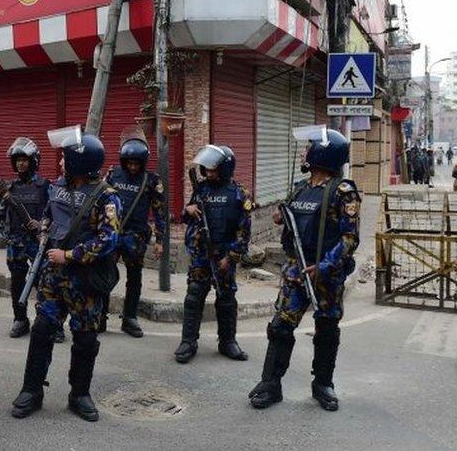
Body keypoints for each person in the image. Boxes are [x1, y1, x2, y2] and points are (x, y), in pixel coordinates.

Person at [11, 131, 121, 422]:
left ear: (79, 162)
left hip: (84, 281)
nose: (60, 162)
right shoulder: (58, 186)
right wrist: (45, 231)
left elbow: (108, 240)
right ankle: (31, 390)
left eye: (65, 157)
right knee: (42, 330)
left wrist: (69, 255)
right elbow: (49, 213)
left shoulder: (106, 198)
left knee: (85, 338)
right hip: (52, 278)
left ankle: (80, 394)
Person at [249, 128, 360, 412]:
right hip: (297, 269)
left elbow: (349, 240)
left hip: (326, 274)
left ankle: (323, 384)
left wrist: (323, 267)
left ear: (321, 153)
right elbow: (288, 219)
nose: (305, 152)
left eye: (309, 148)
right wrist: (279, 216)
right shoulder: (300, 188)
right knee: (280, 326)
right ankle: (270, 384)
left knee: (326, 328)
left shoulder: (343, 193)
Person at [174, 145, 251, 364]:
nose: (209, 173)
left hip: (224, 255)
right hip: (201, 254)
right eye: (206, 169)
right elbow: (188, 215)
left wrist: (231, 257)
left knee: (226, 298)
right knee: (194, 295)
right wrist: (187, 210)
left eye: (214, 169)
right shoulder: (202, 190)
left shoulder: (239, 194)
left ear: (226, 169)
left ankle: (228, 342)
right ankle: (188, 342)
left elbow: (243, 231)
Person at [103, 135, 166, 338]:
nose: (132, 167)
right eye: (129, 163)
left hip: (135, 238)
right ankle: (100, 316)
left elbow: (159, 212)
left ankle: (130, 318)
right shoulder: (113, 175)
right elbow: (100, 201)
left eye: (136, 163)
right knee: (104, 275)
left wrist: (159, 241)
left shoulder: (152, 181)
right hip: (111, 235)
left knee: (134, 278)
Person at [0, 137, 49, 339]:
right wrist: (7, 236)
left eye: (24, 159)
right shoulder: (10, 188)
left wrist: (42, 226)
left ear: (33, 161)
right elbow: (2, 214)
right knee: (17, 283)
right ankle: (20, 319)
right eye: (17, 160)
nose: (20, 163)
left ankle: (47, 322)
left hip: (38, 244)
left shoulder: (44, 186)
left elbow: (55, 214)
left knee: (43, 283)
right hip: (16, 243)